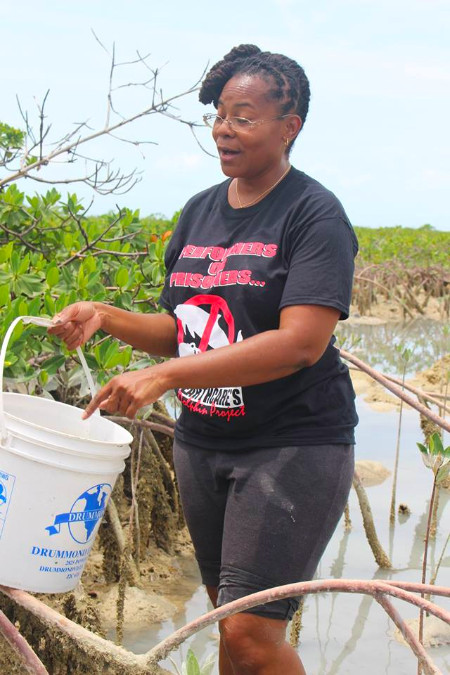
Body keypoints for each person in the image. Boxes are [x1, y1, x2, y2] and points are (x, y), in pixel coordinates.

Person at [50, 44, 358, 675]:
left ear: (289, 127)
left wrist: (165, 376)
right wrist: (105, 316)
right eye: (220, 115)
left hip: (291, 443)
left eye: (244, 117)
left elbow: (302, 342)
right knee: (226, 624)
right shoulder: (199, 212)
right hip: (203, 443)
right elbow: (183, 329)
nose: (223, 128)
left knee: (249, 635)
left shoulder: (313, 214)